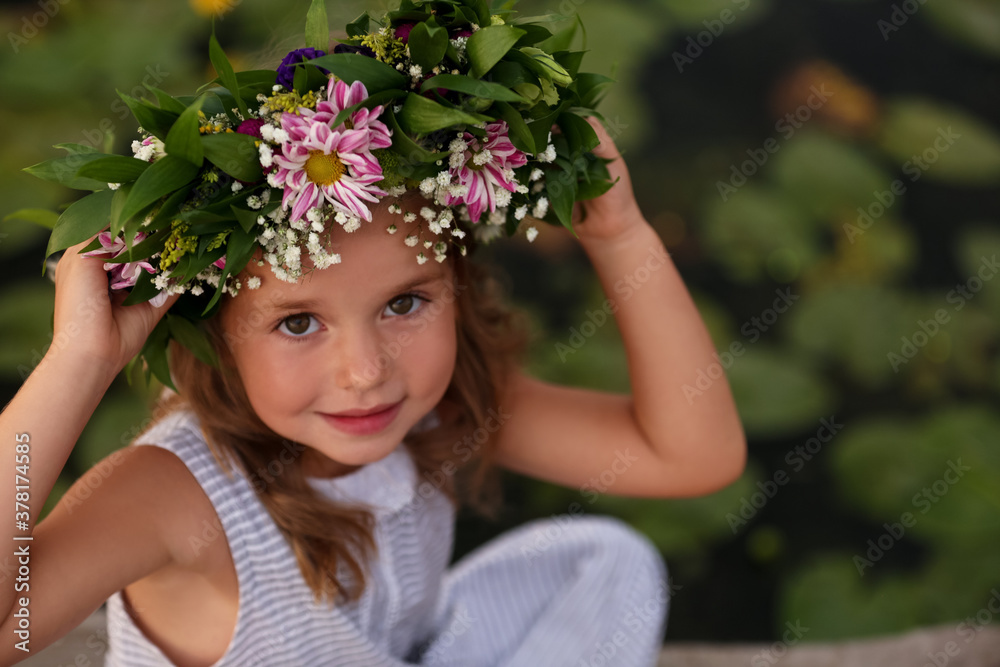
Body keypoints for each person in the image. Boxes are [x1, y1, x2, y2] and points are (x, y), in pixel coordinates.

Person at [0, 7, 746, 666]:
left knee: (604, 562)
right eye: (298, 321)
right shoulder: (176, 496)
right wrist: (79, 362)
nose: (365, 372)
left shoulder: (438, 408)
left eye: (404, 304)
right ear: (219, 335)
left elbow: (693, 457)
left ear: (456, 283)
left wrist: (621, 235)